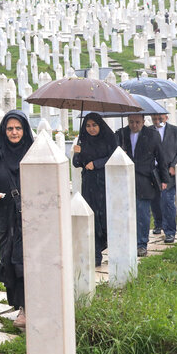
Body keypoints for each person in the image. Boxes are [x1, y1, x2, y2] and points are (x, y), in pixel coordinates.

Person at [0, 110, 34, 328]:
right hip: (7, 216)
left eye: (18, 128)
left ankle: (25, 309)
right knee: (10, 259)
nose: (14, 132)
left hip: (31, 217)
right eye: (10, 128)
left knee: (25, 260)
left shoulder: (33, 152)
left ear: (24, 130)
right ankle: (18, 303)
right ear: (3, 130)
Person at [116, 114, 168, 257]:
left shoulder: (152, 135)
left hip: (145, 179)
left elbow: (161, 157)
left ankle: (141, 244)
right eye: (131, 122)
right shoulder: (121, 134)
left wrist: (164, 179)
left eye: (137, 122)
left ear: (144, 122)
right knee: (125, 212)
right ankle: (127, 242)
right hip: (125, 179)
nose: (134, 125)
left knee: (142, 214)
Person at [71, 113, 115, 266]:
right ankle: (95, 255)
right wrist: (77, 153)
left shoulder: (108, 138)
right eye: (88, 126)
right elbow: (76, 164)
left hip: (105, 183)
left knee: (105, 218)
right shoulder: (83, 140)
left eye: (94, 125)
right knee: (92, 218)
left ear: (100, 125)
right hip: (89, 185)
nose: (91, 129)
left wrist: (96, 164)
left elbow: (114, 156)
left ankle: (107, 245)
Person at [150, 113, 177, 244]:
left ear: (166, 117)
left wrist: (174, 166)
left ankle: (170, 231)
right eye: (154, 118)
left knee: (167, 200)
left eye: (160, 118)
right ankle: (158, 223)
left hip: (169, 171)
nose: (157, 120)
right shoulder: (148, 131)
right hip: (153, 171)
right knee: (155, 200)